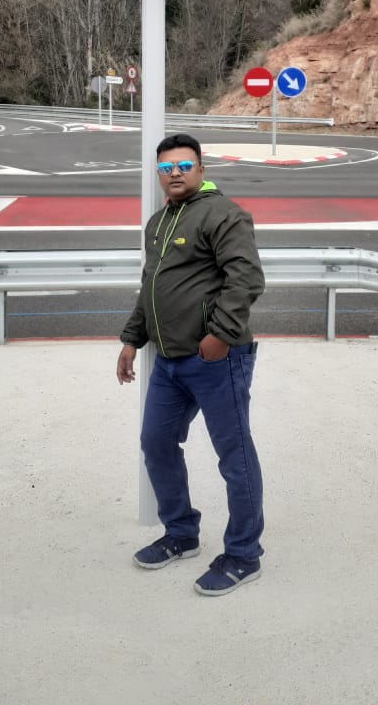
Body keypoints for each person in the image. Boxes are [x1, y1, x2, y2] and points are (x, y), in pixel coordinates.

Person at [117, 133, 266, 596]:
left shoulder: (224, 214)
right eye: (166, 168)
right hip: (168, 361)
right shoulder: (158, 222)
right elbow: (151, 286)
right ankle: (181, 534)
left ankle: (244, 554)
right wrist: (131, 339)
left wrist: (219, 336)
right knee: (155, 442)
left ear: (201, 169)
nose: (174, 173)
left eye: (183, 165)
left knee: (234, 457)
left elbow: (246, 279)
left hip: (216, 359)